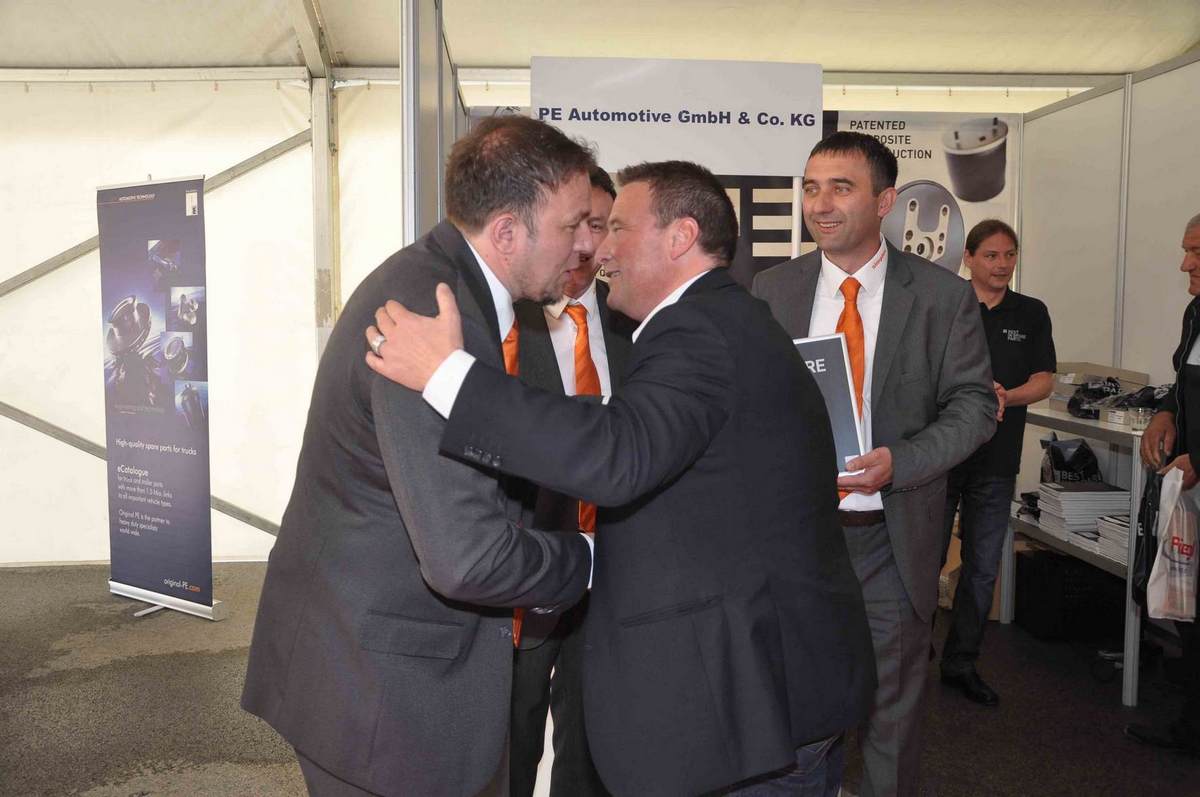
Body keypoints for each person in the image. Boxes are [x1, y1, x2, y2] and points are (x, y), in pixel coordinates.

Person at [366, 160, 876, 797]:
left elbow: (618, 455)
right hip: (772, 694)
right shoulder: (726, 321)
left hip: (753, 715)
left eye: (618, 229)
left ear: (681, 237)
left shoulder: (697, 330)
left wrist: (447, 376)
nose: (599, 250)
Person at [240, 115, 598, 797]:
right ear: (507, 232)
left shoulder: (456, 289)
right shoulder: (430, 316)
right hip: (382, 699)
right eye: (573, 224)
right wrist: (587, 560)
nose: (587, 244)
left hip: (372, 664)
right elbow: (467, 556)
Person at [751, 131, 997, 797]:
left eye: (841, 188)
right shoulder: (773, 289)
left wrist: (902, 461)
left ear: (885, 201)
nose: (820, 204)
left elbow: (975, 406)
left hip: (892, 537)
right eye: (810, 188)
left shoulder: (942, 297)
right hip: (800, 541)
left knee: (891, 717)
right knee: (796, 714)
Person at [508, 165, 632, 797]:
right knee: (511, 744)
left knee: (592, 753)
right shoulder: (506, 322)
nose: (586, 243)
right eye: (577, 224)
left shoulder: (635, 324)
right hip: (525, 574)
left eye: (601, 226)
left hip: (613, 577)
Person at [938, 220, 1055, 706]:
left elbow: (1045, 379)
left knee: (983, 567)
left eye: (1010, 255)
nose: (1002, 264)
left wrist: (1009, 395)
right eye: (991, 255)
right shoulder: (946, 304)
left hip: (998, 460)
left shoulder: (1031, 312)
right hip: (942, 456)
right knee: (924, 561)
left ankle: (961, 663)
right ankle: (910, 658)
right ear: (968, 258)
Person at [1126, 211, 1200, 755]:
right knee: (1189, 607)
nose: (1184, 264)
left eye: (1197, 253)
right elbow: (1183, 381)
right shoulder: (1196, 311)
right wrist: (1165, 413)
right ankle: (1190, 729)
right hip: (1189, 488)